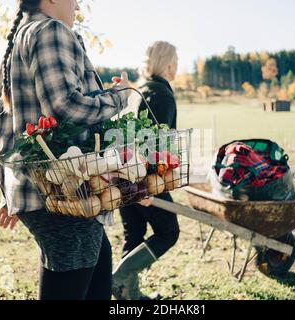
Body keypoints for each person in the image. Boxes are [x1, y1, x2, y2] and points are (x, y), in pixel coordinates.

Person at [0, 0, 131, 300]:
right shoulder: (49, 31)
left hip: (51, 194)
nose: (78, 6)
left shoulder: (21, 36)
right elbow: (65, 105)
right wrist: (118, 98)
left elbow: (5, 129)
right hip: (63, 192)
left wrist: (10, 191)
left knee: (96, 277)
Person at [112, 41, 180, 300]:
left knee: (135, 235)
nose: (177, 64)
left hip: (122, 171)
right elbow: (153, 142)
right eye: (176, 59)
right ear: (169, 62)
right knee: (168, 232)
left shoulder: (142, 90)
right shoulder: (161, 94)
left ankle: (128, 295)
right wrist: (147, 186)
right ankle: (117, 278)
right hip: (143, 177)